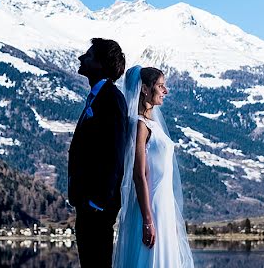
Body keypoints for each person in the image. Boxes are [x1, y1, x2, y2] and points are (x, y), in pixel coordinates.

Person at [113, 66, 194, 268]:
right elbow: (139, 175)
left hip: (164, 207)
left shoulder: (153, 124)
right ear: (145, 89)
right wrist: (148, 219)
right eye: (160, 86)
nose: (165, 91)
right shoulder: (140, 125)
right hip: (152, 208)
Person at [68, 38, 127, 268]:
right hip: (87, 203)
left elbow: (115, 153)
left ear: (101, 64)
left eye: (89, 55)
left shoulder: (112, 99)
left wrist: (98, 202)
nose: (81, 58)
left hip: (97, 207)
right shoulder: (98, 97)